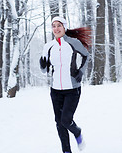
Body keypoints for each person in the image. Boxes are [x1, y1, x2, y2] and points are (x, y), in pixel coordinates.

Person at [40, 16, 91, 153]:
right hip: (55, 90)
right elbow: (44, 70)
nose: (56, 28)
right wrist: (42, 64)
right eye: (53, 26)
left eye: (59, 25)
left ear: (64, 27)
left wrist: (81, 71)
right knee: (59, 123)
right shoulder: (48, 46)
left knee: (66, 120)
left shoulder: (74, 43)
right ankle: (66, 151)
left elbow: (86, 55)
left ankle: (77, 132)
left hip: (72, 89)